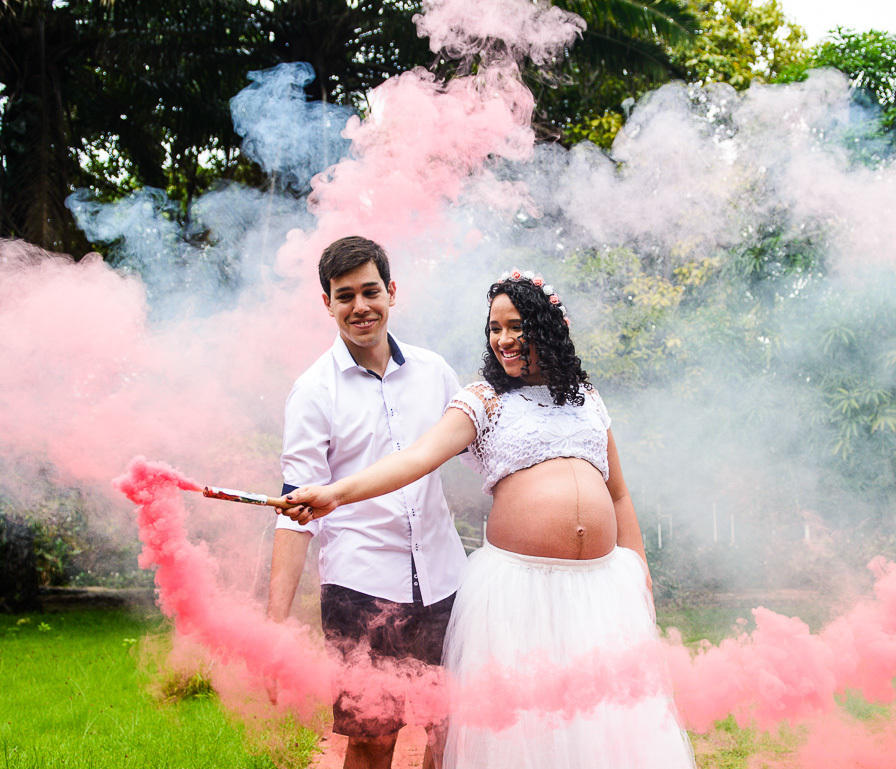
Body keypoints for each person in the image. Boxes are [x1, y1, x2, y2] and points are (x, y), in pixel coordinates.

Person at [283, 269, 696, 769]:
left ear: (546, 328)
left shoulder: (588, 398)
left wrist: (639, 567)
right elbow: (416, 458)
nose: (504, 339)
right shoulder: (483, 399)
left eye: (516, 325)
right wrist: (335, 493)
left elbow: (619, 493)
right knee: (521, 726)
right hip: (515, 593)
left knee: (603, 723)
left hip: (602, 590)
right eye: (494, 328)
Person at [268, 236, 467, 769]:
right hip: (360, 588)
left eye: (370, 291)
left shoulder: (435, 372)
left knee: (452, 732)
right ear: (327, 302)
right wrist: (274, 627)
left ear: (392, 292)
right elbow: (295, 521)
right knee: (373, 742)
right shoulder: (312, 391)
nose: (360, 307)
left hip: (449, 580)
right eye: (345, 295)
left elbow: (484, 458)